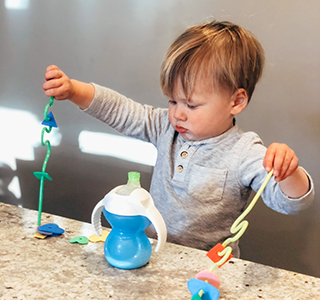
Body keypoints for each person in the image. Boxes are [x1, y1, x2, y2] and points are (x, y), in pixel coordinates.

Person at [42, 21, 314, 256]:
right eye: (173, 101)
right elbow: (122, 111)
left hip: (206, 271)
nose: (178, 114)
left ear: (236, 101)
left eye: (192, 105)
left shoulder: (245, 151)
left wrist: (288, 173)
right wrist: (73, 90)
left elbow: (290, 203)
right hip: (154, 253)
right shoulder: (165, 127)